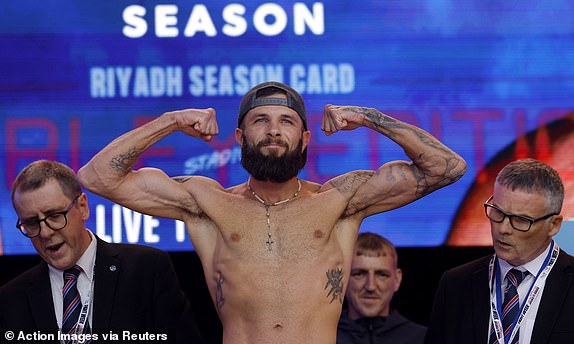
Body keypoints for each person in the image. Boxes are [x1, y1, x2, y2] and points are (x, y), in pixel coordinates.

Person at [78, 81, 466, 344]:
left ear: (305, 138)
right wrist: (172, 121)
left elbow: (446, 167)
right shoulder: (207, 204)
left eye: (287, 122)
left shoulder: (340, 202)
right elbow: (97, 177)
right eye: (260, 120)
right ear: (240, 137)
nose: (273, 131)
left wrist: (367, 116)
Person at [0, 160, 204, 344]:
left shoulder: (147, 269)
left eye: (54, 215)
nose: (44, 232)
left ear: (82, 207)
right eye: (31, 223)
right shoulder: (10, 299)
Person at [425, 158, 574, 344]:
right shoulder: (456, 283)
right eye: (498, 212)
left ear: (554, 225)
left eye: (520, 220)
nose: (503, 229)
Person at [337, 232, 426, 344]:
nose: (371, 286)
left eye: (382, 274)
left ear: (397, 279)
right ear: (342, 279)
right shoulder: (323, 338)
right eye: (359, 274)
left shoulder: (424, 339)